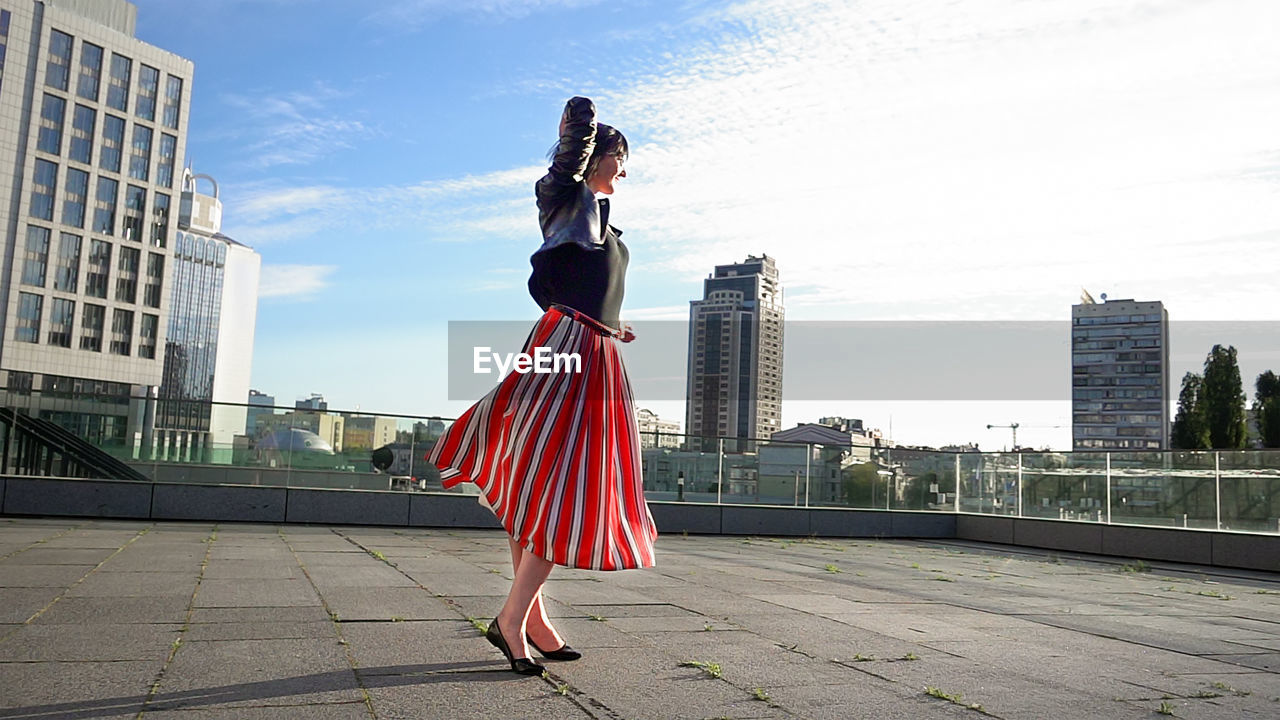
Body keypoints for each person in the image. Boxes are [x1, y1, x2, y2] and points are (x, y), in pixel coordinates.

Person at [427, 96, 658, 676]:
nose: (624, 170)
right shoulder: (565, 199)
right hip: (568, 349)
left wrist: (614, 327)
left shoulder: (603, 221)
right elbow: (567, 163)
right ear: (597, 156)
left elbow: (590, 286)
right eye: (619, 157)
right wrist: (581, 123)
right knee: (562, 483)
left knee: (540, 475)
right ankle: (512, 618)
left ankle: (530, 619)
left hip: (593, 347)